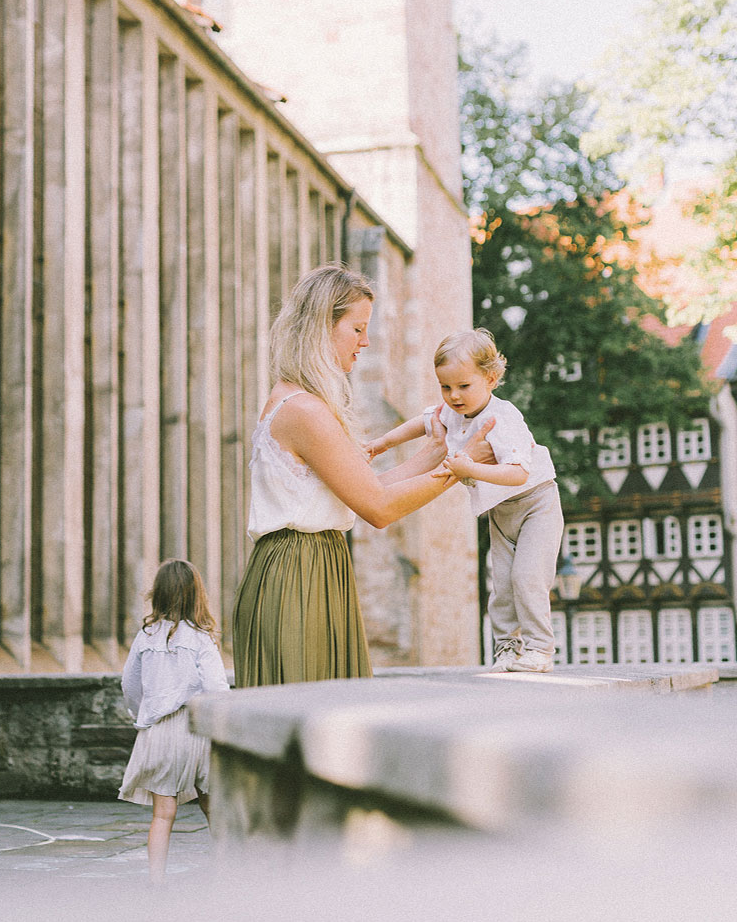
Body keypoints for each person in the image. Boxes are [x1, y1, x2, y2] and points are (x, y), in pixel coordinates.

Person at [234, 263, 495, 687]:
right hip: (301, 572)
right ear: (323, 327)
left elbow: (368, 490)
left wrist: (438, 451)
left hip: (313, 565)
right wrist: (461, 465)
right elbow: (378, 508)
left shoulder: (298, 401)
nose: (365, 342)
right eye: (356, 329)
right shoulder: (304, 411)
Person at [366, 329, 561, 672]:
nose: (453, 396)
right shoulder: (453, 411)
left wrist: (470, 468)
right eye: (445, 387)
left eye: (463, 386)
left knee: (527, 577)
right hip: (502, 511)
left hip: (536, 503)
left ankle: (540, 649)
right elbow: (421, 423)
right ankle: (508, 650)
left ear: (490, 378)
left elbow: (518, 474)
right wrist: (383, 443)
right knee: (501, 584)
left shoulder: (503, 417)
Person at [119, 559, 229, 884]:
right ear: (197, 594)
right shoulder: (201, 638)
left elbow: (129, 685)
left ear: (159, 593)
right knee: (213, 807)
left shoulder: (146, 635)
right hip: (197, 730)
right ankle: (226, 874)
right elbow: (216, 689)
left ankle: (156, 881)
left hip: (158, 732)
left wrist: (144, 713)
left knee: (163, 814)